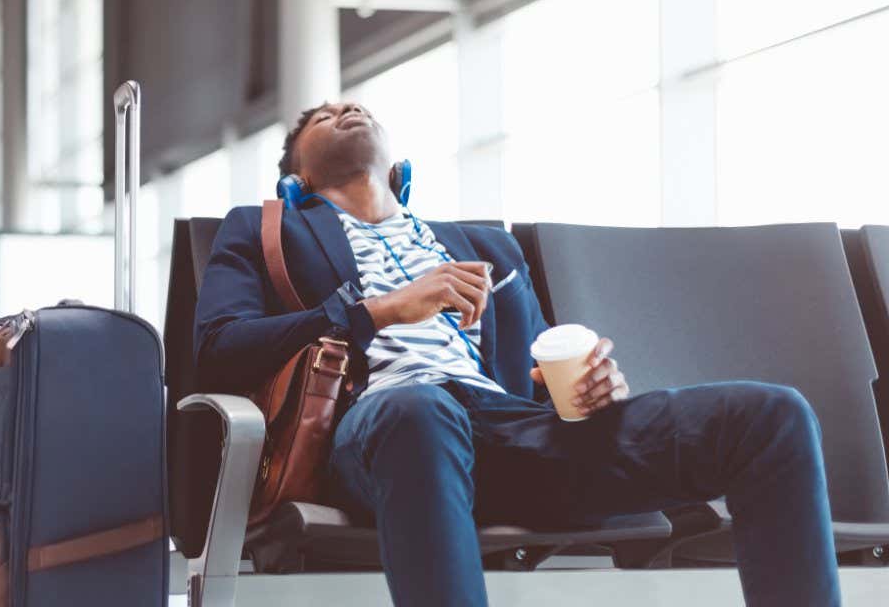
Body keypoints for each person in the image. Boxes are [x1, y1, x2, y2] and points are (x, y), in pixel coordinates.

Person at [194, 101, 840, 607]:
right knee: (422, 412)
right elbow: (218, 351)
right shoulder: (266, 229)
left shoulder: (486, 248)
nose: (345, 111)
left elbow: (537, 387)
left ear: (398, 167)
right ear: (297, 179)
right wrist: (379, 311)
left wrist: (590, 390)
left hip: (512, 434)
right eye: (323, 116)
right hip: (383, 427)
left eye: (355, 106)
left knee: (773, 419)